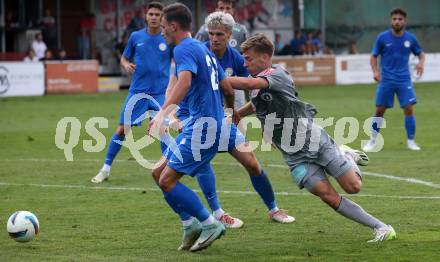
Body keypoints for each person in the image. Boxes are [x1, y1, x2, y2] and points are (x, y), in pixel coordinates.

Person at [228, 33, 397, 243]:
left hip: (314, 141)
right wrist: (238, 115)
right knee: (327, 196)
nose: (244, 63)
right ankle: (381, 227)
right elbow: (257, 103)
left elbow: (248, 85)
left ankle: (346, 154)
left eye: (248, 58)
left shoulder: (277, 74)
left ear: (263, 58)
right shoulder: (258, 82)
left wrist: (217, 79)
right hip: (294, 156)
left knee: (353, 187)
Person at [158, 11, 294, 231]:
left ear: (230, 35)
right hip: (193, 117)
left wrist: (232, 115)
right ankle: (217, 213)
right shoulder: (195, 51)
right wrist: (170, 115)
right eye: (211, 33)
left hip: (219, 117)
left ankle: (273, 208)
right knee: (199, 166)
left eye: (220, 34)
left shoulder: (236, 59)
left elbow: (248, 89)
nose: (214, 38)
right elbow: (175, 84)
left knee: (251, 163)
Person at [150, 3, 228, 252]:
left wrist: (163, 113)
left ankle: (208, 223)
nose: (162, 31)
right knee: (158, 173)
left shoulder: (183, 49)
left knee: (167, 181)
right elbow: (225, 86)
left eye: (163, 27)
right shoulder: (202, 49)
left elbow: (183, 84)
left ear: (173, 26)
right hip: (203, 123)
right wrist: (229, 113)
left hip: (202, 127)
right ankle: (189, 224)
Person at [91, 2, 171, 183]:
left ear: (162, 18)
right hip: (137, 92)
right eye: (151, 14)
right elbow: (124, 57)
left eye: (157, 15)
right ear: (146, 16)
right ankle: (105, 168)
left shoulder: (167, 38)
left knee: (163, 130)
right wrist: (126, 64)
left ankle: (169, 170)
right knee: (122, 129)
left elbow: (178, 58)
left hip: (160, 94)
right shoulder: (136, 37)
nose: (154, 17)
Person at [363, 8, 425, 152]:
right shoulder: (382, 38)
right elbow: (373, 56)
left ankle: (411, 142)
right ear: (391, 21)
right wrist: (375, 71)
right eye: (394, 19)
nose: (397, 21)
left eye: (400, 19)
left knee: (409, 109)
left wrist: (421, 63)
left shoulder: (411, 38)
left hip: (404, 80)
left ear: (405, 21)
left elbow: (421, 54)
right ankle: (372, 141)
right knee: (379, 110)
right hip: (386, 80)